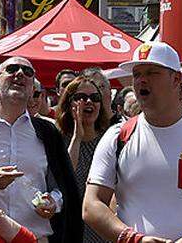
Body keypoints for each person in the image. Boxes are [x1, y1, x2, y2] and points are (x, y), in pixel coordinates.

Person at [84, 42, 182, 242]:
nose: (142, 80)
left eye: (151, 73)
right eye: (137, 74)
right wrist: (134, 239)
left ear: (176, 79)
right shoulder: (117, 136)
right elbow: (91, 205)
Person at [0, 56, 83, 242]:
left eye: (27, 72)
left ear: (32, 88)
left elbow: (63, 186)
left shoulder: (47, 132)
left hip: (34, 237)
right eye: (12, 69)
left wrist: (55, 202)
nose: (20, 74)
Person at [56, 76, 110, 243]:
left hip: (101, 229)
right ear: (68, 103)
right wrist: (77, 138)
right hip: (68, 227)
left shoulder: (110, 139)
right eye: (81, 97)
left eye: (95, 98)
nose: (89, 102)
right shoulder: (57, 138)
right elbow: (65, 179)